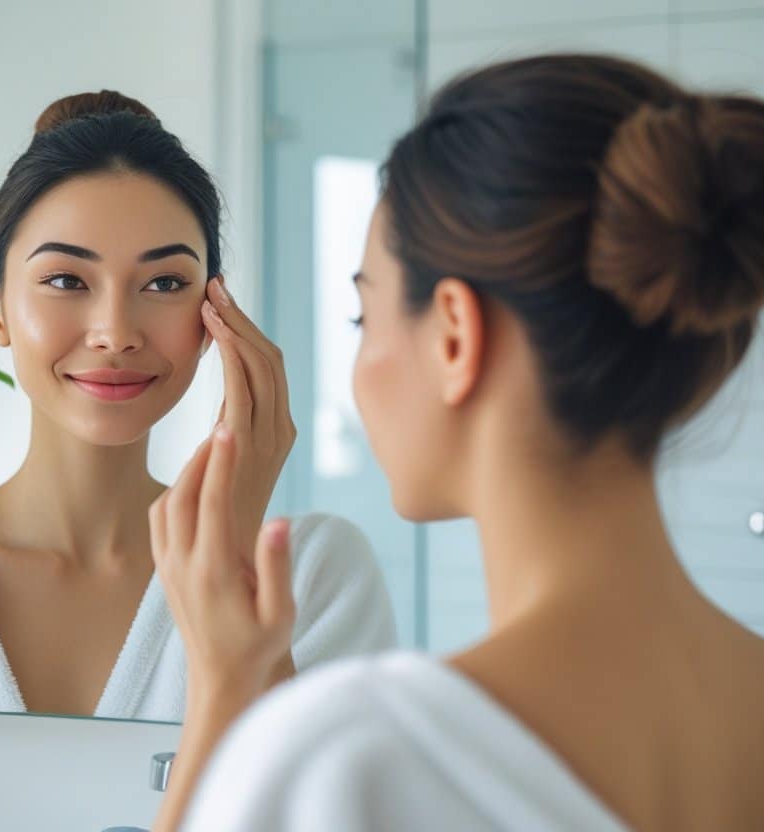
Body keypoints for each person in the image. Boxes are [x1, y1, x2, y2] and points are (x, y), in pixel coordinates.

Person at [151, 54, 764, 830]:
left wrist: (223, 683)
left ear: (452, 335)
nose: (358, 370)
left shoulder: (361, 761)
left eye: (362, 318)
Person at [0, 91, 396, 721]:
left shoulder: (314, 574)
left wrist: (232, 556)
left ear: (215, 313)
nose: (116, 331)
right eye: (65, 280)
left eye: (164, 283)